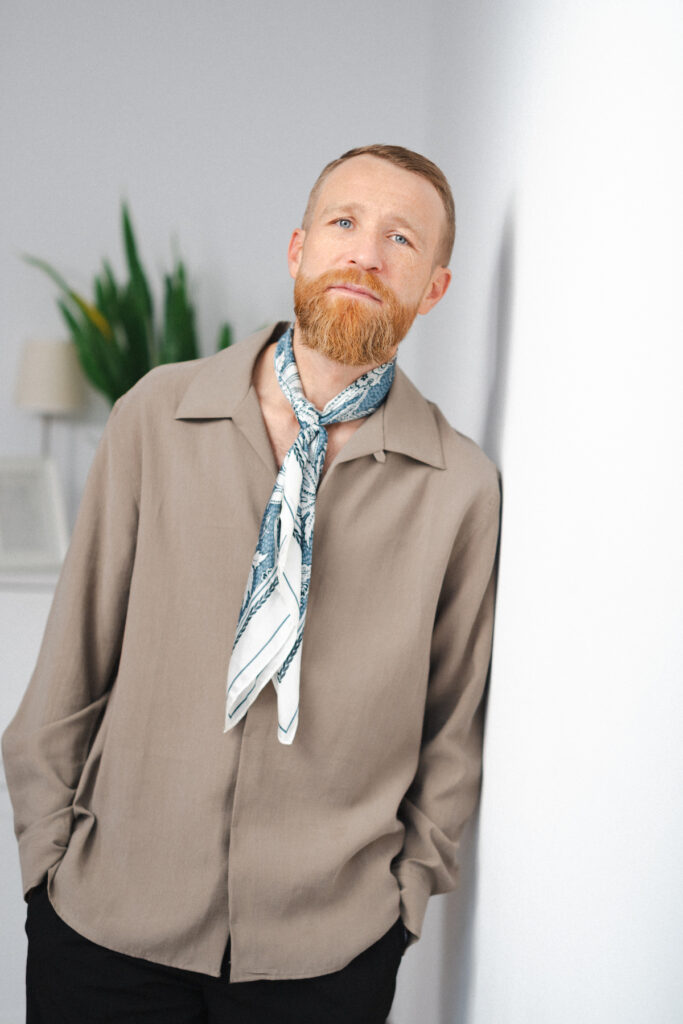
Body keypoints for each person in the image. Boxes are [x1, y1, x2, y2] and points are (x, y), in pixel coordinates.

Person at [2, 144, 501, 1024]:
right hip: (105, 928)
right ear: (298, 249)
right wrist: (47, 869)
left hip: (327, 957)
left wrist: (400, 906)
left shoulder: (459, 487)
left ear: (433, 288)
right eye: (344, 222)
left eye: (400, 239)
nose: (365, 254)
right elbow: (72, 662)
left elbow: (451, 726)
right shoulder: (156, 416)